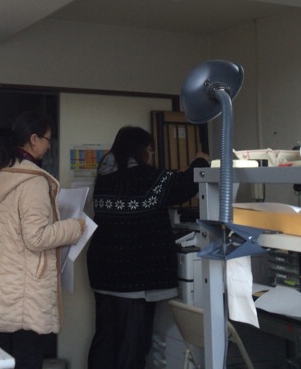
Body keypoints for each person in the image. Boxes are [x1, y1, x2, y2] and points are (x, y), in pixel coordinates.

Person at [86, 126, 210, 369]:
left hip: (104, 274)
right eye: (150, 150)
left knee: (105, 340)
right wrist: (200, 161)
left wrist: (174, 175)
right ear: (140, 150)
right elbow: (184, 186)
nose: (151, 155)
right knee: (132, 347)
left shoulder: (105, 175)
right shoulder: (145, 177)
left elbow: (164, 184)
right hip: (133, 279)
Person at [0, 111, 86, 369]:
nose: (49, 146)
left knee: (2, 360)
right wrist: (75, 227)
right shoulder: (32, 181)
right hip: (25, 293)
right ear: (34, 139)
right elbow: (36, 237)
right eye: (47, 139)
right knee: (27, 359)